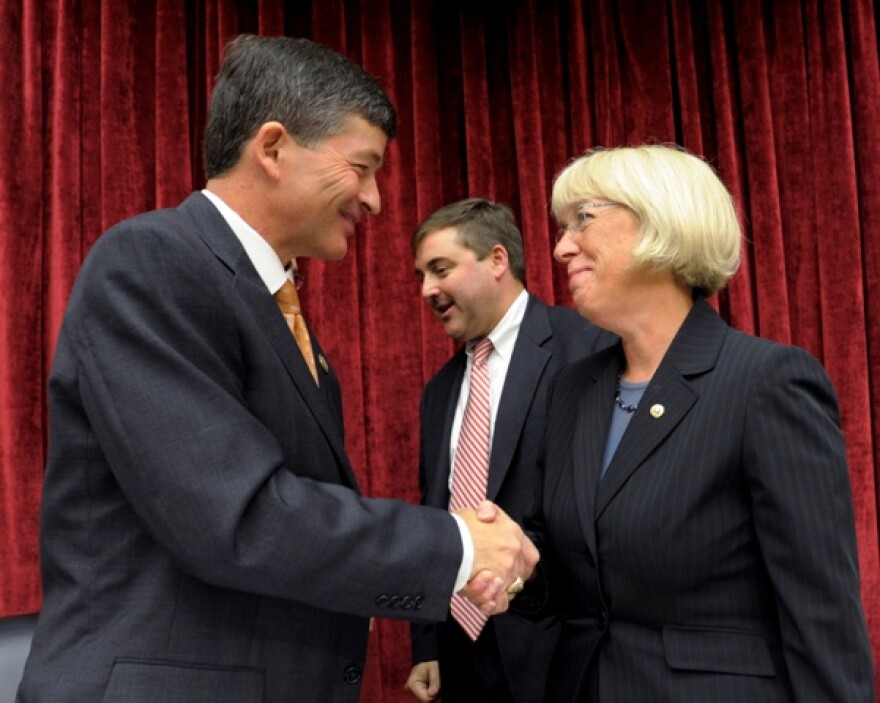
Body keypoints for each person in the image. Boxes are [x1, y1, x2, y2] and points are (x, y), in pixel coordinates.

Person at [15, 35, 538, 703]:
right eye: (362, 166)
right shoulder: (150, 262)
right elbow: (237, 518)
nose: (376, 200)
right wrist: (456, 548)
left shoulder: (280, 314)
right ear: (272, 147)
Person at [539, 144, 874, 701]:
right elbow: (574, 573)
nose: (561, 246)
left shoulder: (767, 382)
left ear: (661, 222)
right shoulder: (575, 389)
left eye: (583, 220)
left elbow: (822, 615)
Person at [405, 199, 615, 702]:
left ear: (498, 260)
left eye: (441, 269)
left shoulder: (589, 348)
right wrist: (427, 641)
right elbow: (436, 511)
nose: (427, 290)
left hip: (563, 651)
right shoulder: (439, 390)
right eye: (422, 275)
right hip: (461, 656)